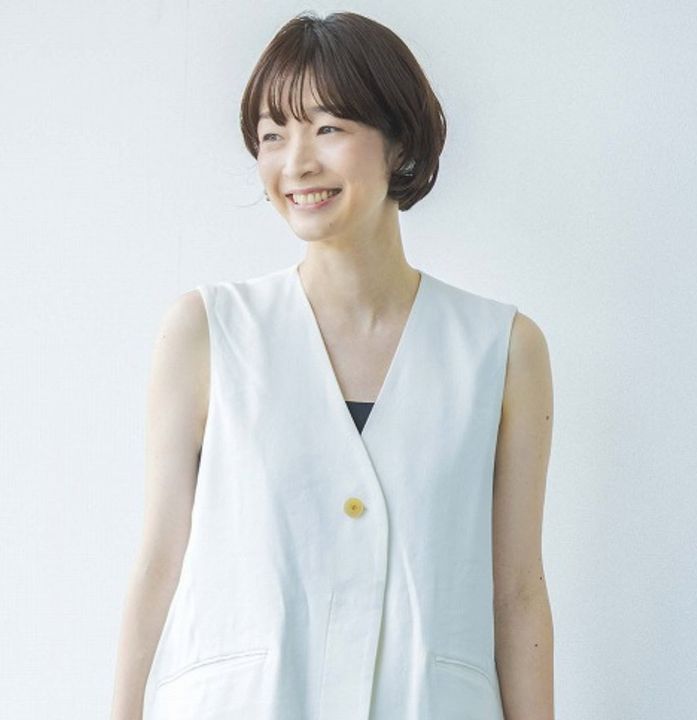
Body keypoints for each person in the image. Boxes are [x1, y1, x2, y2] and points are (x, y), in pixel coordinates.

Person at [110, 11, 554, 720]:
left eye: (328, 128)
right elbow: (161, 558)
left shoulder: (501, 348)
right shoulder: (207, 330)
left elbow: (518, 592)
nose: (297, 163)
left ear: (399, 141)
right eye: (272, 135)